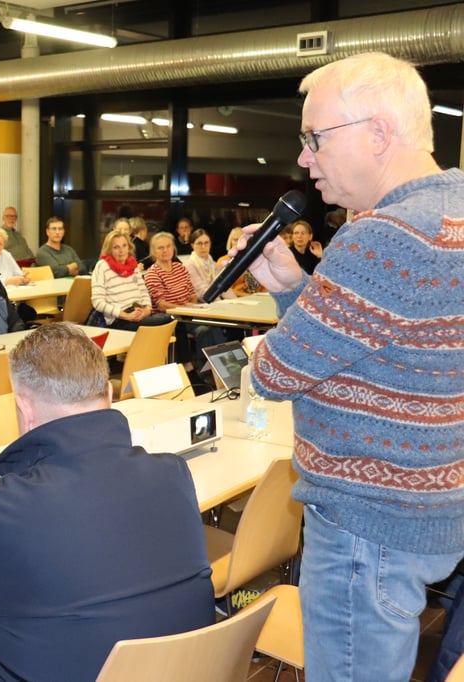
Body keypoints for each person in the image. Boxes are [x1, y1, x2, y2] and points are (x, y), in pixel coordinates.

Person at [240, 52, 464, 682]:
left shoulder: (382, 236)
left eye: (315, 138)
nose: (305, 159)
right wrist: (297, 287)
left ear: (378, 133)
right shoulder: (452, 211)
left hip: (365, 527)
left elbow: (275, 374)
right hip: (429, 504)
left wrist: (293, 310)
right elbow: (385, 344)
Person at [0, 322, 215, 682]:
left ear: (23, 409)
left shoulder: (1, 512)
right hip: (177, 673)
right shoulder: (173, 474)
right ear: (109, 391)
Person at [144, 231, 225, 368]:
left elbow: (192, 294)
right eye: (160, 248)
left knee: (215, 324)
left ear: (173, 248)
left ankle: (220, 366)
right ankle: (203, 370)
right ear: (153, 251)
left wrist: (190, 307)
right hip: (170, 317)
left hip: (188, 313)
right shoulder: (152, 273)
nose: (165, 250)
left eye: (168, 246)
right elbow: (162, 305)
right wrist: (184, 308)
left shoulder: (180, 268)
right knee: (204, 330)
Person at [90, 230, 172, 331]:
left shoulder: (132, 264)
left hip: (138, 312)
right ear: (109, 249)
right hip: (119, 319)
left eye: (124, 246)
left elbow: (144, 292)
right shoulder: (102, 266)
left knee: (168, 319)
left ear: (129, 247)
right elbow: (97, 302)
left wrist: (147, 310)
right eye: (116, 247)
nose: (121, 251)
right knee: (166, 319)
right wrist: (126, 315)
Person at [184, 229, 235, 301]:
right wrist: (221, 303)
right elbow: (201, 291)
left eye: (206, 243)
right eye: (199, 243)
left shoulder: (214, 264)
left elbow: (224, 287)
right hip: (202, 303)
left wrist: (235, 301)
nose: (203, 247)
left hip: (216, 301)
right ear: (192, 245)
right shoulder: (189, 265)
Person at [217, 227, 262, 296]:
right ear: (230, 242)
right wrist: (246, 295)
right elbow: (224, 290)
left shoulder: (254, 259)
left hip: (258, 296)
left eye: (242, 239)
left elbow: (263, 284)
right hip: (237, 299)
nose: (238, 242)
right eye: (235, 240)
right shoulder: (223, 261)